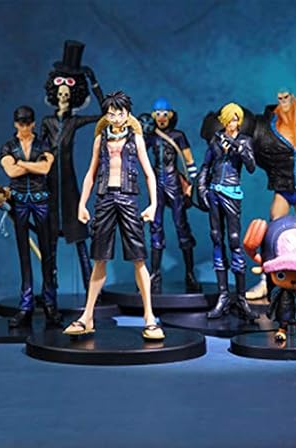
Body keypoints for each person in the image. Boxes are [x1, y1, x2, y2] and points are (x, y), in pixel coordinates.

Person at [63, 91, 164, 339]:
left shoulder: (136, 138)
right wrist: (82, 204)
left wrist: (153, 204)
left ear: (127, 114)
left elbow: (149, 173)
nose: (116, 118)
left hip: (129, 199)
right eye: (111, 114)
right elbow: (90, 173)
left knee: (139, 259)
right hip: (105, 199)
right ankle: (87, 316)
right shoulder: (100, 139)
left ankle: (149, 317)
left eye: (120, 113)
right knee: (99, 258)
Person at [247, 89, 296, 299]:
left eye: (286, 98)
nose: (283, 102)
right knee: (272, 233)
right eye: (280, 98)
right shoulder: (269, 126)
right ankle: (266, 280)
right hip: (282, 187)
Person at [41, 40, 104, 291]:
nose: (63, 98)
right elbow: (38, 151)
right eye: (60, 93)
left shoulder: (74, 122)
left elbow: (105, 114)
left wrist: (95, 83)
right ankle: (50, 289)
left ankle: (91, 288)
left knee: (78, 235)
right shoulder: (47, 123)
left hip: (68, 185)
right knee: (49, 239)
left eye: (67, 94)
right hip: (49, 185)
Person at [0, 106, 61, 328]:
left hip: (41, 200)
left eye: (27, 123)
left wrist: (22, 164)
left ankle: (50, 303)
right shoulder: (9, 146)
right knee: (24, 255)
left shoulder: (43, 144)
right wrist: (31, 166)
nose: (24, 127)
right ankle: (25, 306)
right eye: (21, 123)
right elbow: (11, 172)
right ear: (15, 123)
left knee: (47, 253)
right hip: (20, 202)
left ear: (33, 123)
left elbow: (45, 168)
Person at [196, 103, 258, 320]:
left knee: (234, 241)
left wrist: (238, 148)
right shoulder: (215, 140)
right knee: (216, 238)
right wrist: (201, 188)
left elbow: (251, 166)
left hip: (232, 193)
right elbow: (206, 166)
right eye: (229, 119)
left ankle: (241, 299)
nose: (232, 123)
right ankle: (223, 296)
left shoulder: (245, 140)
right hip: (214, 191)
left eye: (235, 119)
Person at [143, 97, 199, 294]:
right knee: (155, 225)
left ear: (171, 115)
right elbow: (139, 153)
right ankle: (155, 274)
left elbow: (189, 160)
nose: (161, 118)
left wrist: (193, 184)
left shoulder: (178, 135)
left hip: (173, 182)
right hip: (156, 183)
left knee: (181, 224)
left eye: (164, 114)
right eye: (158, 114)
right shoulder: (150, 136)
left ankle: (190, 274)